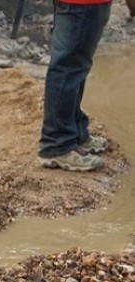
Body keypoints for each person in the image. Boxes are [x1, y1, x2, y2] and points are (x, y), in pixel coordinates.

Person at [37, 0, 120, 171]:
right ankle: (57, 143)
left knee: (76, 65)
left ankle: (74, 133)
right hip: (82, 3)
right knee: (68, 66)